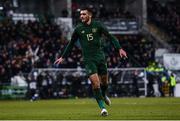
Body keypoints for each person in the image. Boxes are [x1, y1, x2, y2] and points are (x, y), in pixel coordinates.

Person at [54, 7, 127, 116]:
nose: (81, 16)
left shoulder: (98, 25)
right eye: (81, 14)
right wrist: (63, 57)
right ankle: (103, 108)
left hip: (100, 58)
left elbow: (111, 37)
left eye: (84, 14)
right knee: (96, 83)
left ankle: (103, 94)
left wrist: (119, 48)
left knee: (105, 82)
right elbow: (71, 43)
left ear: (90, 15)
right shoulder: (78, 29)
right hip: (89, 60)